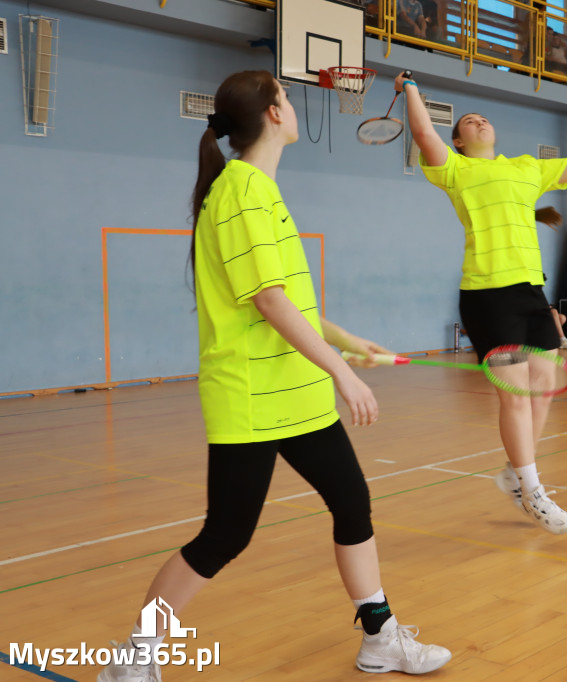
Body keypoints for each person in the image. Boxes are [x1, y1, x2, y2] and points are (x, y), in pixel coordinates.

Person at [96, 70, 451, 682]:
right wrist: (344, 371)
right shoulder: (240, 192)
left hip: (297, 394)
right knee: (226, 535)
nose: (292, 107)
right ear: (272, 113)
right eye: (286, 99)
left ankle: (380, 638)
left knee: (352, 502)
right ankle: (135, 657)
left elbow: (289, 299)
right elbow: (267, 301)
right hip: (255, 395)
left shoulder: (260, 190)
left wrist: (344, 340)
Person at [401, 69, 567, 533]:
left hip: (531, 291)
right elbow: (420, 131)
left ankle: (516, 474)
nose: (479, 122)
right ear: (457, 141)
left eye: (482, 118)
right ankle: (532, 491)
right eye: (469, 122)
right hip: (487, 295)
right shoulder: (454, 170)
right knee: (515, 398)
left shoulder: (526, 167)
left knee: (543, 390)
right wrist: (410, 87)